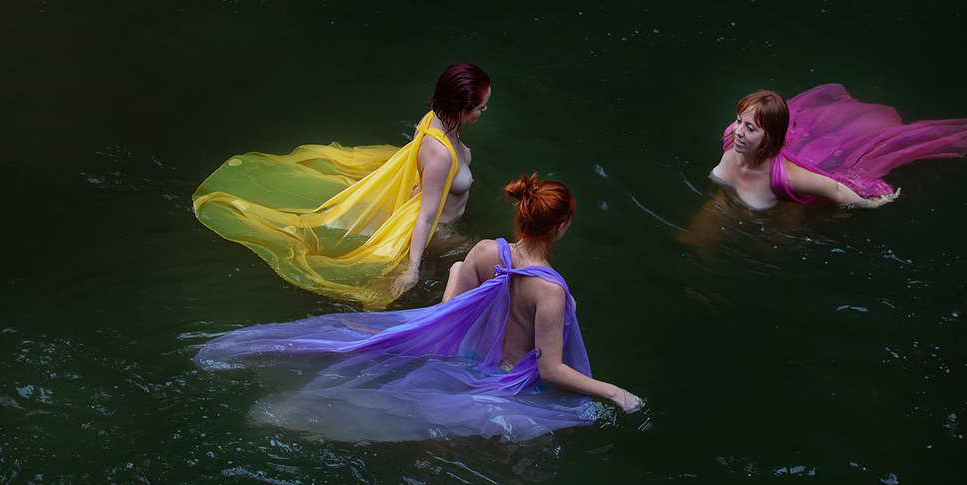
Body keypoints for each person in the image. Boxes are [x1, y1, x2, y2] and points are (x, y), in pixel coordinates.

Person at [193, 175, 643, 443]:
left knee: (386, 396)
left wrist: (452, 278)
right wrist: (616, 392)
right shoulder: (551, 292)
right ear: (561, 225)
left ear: (523, 216)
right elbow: (550, 371)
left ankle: (283, 406)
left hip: (462, 363)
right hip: (504, 385)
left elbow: (450, 311)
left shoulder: (489, 251)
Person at [191, 62, 491, 309]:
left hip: (432, 215)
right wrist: (411, 269)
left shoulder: (432, 119)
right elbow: (426, 215)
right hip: (439, 232)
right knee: (474, 270)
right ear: (461, 108)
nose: (485, 111)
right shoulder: (439, 154)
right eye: (481, 107)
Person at [710, 84, 967, 210]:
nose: (738, 131)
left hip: (783, 216)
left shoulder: (786, 176)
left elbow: (836, 189)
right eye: (739, 120)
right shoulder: (732, 138)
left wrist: (870, 203)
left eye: (750, 128)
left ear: (769, 138)